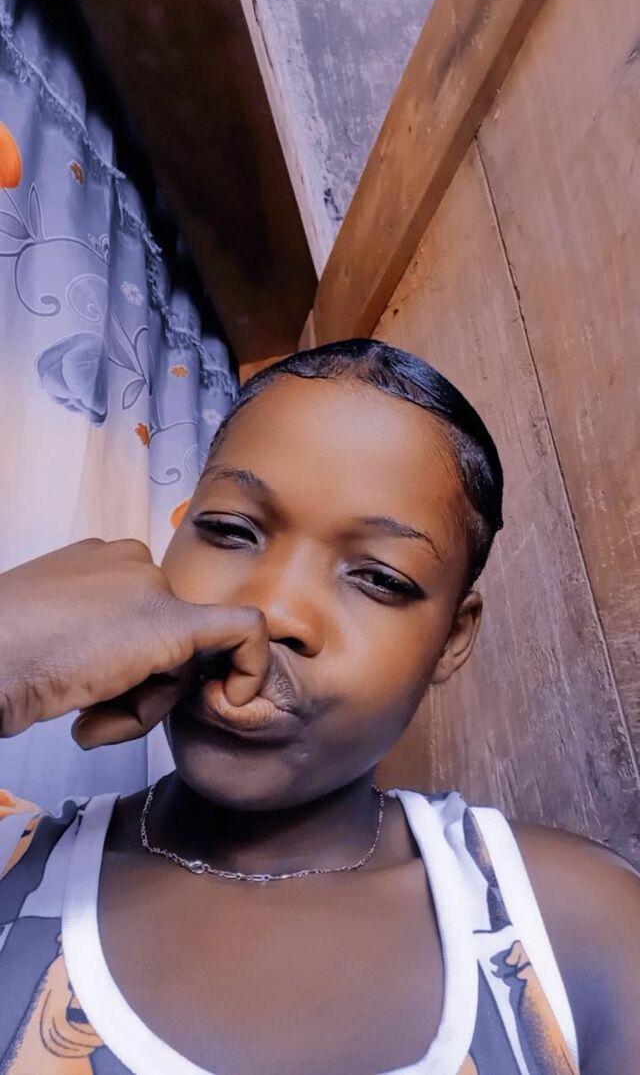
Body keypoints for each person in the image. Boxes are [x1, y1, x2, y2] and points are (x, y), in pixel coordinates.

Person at [0, 339, 638, 1075]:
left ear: (452, 639)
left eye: (379, 578)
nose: (273, 610)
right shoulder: (13, 864)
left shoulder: (571, 926)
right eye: (229, 530)